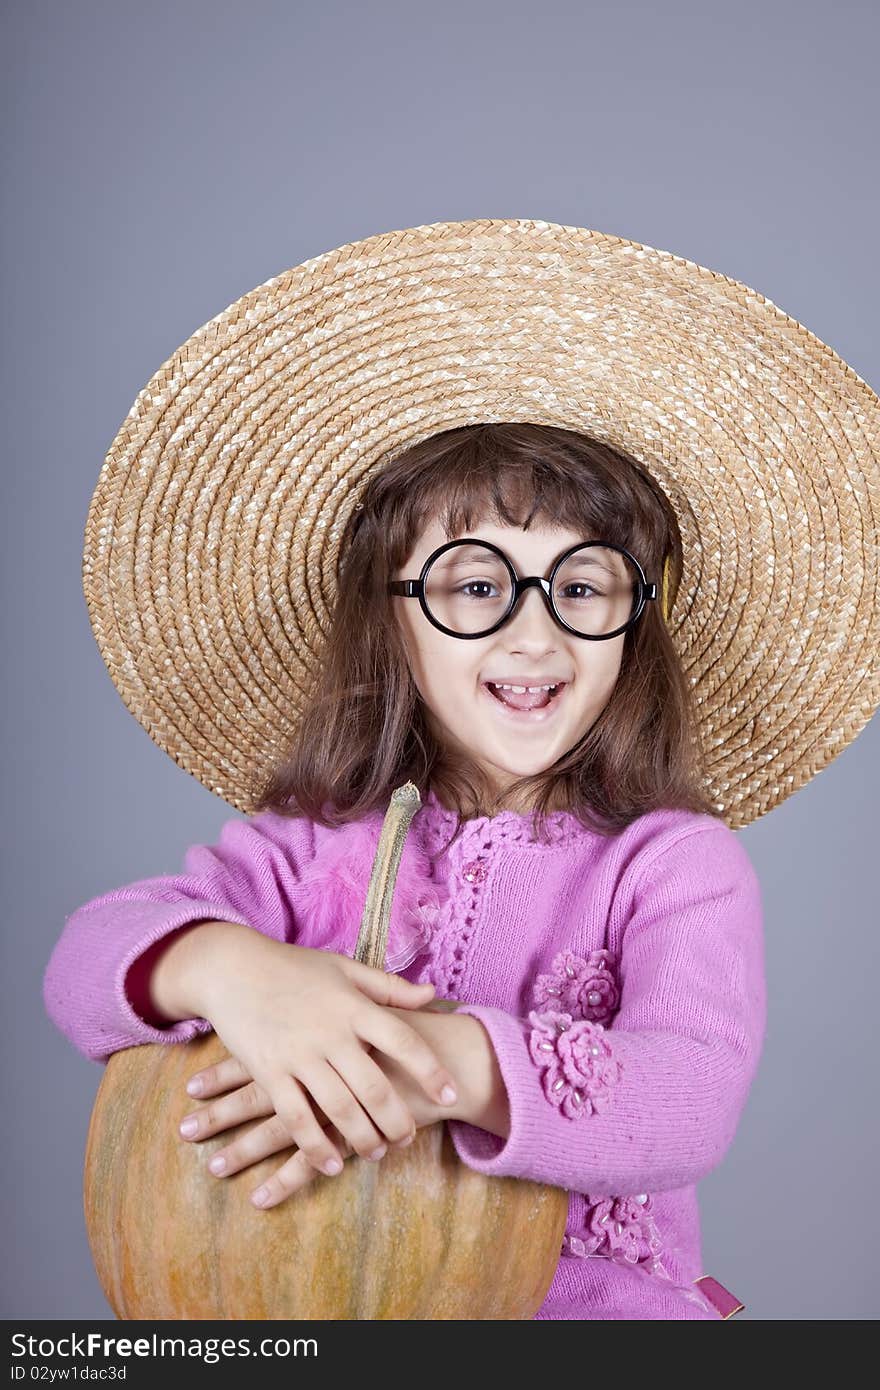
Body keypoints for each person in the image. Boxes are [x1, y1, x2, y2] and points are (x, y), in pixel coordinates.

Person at [43, 221, 880, 1321]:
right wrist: (232, 974)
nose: (535, 639)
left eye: (581, 588)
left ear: (637, 624)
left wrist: (426, 1060)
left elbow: (686, 1100)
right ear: (390, 623)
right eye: (474, 587)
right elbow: (82, 963)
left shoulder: (672, 863)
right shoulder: (303, 844)